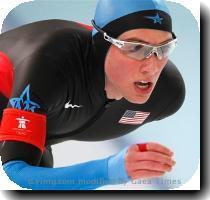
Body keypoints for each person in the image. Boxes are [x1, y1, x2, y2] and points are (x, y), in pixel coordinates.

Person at [0, 0, 185, 190]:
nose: (152, 67)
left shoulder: (167, 95)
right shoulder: (51, 64)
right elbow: (16, 172)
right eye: (136, 47)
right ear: (102, 44)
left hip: (41, 128)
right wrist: (109, 171)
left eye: (163, 48)